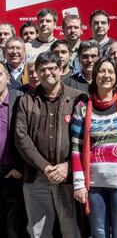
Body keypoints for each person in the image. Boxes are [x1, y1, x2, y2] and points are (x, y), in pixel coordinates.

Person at [71, 57, 117, 237]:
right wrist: (79, 184)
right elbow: (76, 148)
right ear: (95, 76)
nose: (106, 75)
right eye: (102, 71)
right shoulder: (82, 108)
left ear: (116, 76)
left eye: (111, 72)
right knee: (98, 233)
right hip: (93, 185)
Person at [15, 51, 83, 238]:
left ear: (61, 69)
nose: (47, 73)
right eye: (42, 69)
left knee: (71, 230)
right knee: (39, 232)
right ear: (35, 72)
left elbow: (89, 139)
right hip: (36, 177)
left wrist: (68, 166)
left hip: (68, 178)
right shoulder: (26, 100)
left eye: (52, 68)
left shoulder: (79, 98)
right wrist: (45, 167)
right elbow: (21, 137)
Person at [0, 61, 29, 238]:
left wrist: (19, 167)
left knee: (14, 228)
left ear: (8, 78)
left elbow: (28, 136)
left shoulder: (19, 100)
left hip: (12, 173)